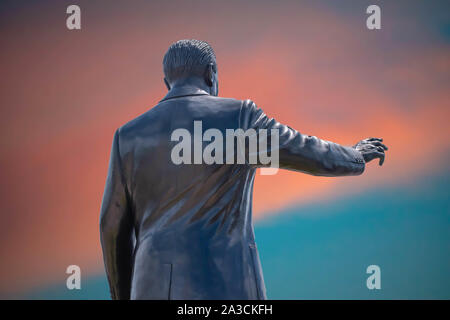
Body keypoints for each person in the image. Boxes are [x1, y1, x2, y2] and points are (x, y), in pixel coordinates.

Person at [99, 39, 388, 300]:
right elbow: (306, 152)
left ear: (167, 82)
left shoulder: (128, 136)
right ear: (211, 73)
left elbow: (111, 227)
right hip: (226, 284)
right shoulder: (238, 118)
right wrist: (356, 155)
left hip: (152, 288)